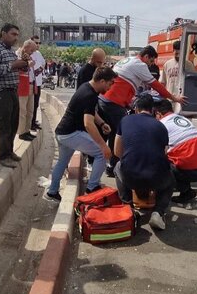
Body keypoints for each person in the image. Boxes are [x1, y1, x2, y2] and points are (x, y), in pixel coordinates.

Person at [97, 46, 187, 177]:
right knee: (120, 134)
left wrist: (128, 102)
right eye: (151, 61)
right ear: (146, 57)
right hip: (113, 102)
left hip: (105, 99)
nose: (151, 65)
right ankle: (116, 166)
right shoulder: (140, 65)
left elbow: (122, 84)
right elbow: (155, 85)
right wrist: (174, 98)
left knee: (108, 132)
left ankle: (101, 162)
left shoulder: (128, 60)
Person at [44, 67, 117, 202]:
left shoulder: (86, 88)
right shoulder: (90, 95)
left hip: (62, 132)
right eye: (110, 83)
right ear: (102, 81)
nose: (110, 87)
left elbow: (89, 112)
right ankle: (92, 188)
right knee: (101, 153)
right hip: (71, 134)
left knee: (62, 161)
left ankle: (52, 192)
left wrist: (101, 123)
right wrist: (103, 145)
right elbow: (88, 124)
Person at [114, 94, 175, 231]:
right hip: (157, 179)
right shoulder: (161, 126)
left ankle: (127, 206)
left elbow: (117, 152)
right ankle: (158, 212)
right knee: (170, 175)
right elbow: (163, 154)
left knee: (118, 165)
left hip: (131, 177)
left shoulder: (125, 120)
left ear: (136, 108)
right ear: (152, 110)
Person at [154, 99, 197, 204]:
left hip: (196, 169)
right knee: (181, 156)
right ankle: (186, 192)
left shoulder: (161, 125)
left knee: (160, 163)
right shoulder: (181, 119)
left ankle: (170, 195)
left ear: (158, 113)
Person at [0, 23, 29, 168]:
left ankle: (9, 152)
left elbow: (19, 68)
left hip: (12, 91)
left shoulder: (10, 51)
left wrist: (23, 63)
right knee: (3, 125)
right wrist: (13, 65)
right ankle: (3, 155)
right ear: (3, 33)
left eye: (17, 35)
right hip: (1, 93)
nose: (16, 38)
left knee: (12, 124)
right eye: (13, 34)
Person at [16, 39, 38, 142]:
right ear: (26, 47)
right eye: (31, 50)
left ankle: (27, 130)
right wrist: (27, 65)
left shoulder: (29, 57)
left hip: (30, 85)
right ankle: (21, 132)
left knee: (30, 110)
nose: (32, 52)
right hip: (22, 86)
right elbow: (16, 68)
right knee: (22, 111)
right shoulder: (18, 55)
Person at [30, 35, 46, 131]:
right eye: (36, 43)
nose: (38, 45)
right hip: (31, 83)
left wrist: (39, 70)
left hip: (38, 83)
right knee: (30, 105)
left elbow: (43, 63)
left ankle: (33, 121)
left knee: (36, 104)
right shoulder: (28, 53)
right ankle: (30, 124)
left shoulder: (38, 53)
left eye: (39, 43)